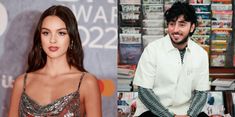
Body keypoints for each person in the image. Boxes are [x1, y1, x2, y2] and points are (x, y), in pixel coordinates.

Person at [8, 5, 102, 117]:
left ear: (71, 38)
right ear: (40, 38)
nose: (52, 40)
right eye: (46, 33)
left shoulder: (86, 83)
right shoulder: (22, 82)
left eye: (61, 33)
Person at [133, 2, 209, 117]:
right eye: (172, 24)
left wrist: (190, 115)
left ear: (192, 27)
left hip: (186, 111)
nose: (175, 30)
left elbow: (201, 92)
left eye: (182, 25)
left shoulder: (201, 54)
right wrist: (169, 116)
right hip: (154, 111)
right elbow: (144, 91)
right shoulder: (152, 50)